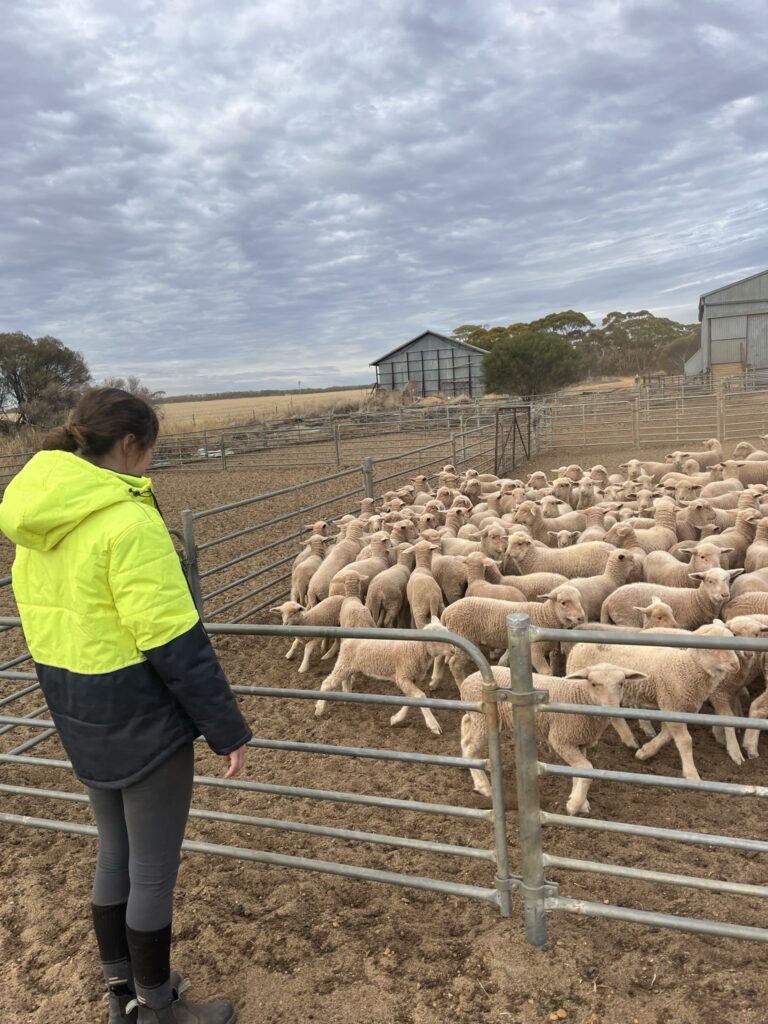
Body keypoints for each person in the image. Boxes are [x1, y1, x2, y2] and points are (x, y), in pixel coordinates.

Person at [0, 388, 252, 1024]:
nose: (149, 466)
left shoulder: (38, 518)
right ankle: (159, 1007)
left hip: (76, 707)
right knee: (152, 870)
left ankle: (123, 992)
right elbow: (174, 640)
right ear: (133, 445)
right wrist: (226, 728)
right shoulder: (125, 521)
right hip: (142, 715)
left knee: (114, 852)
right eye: (151, 453)